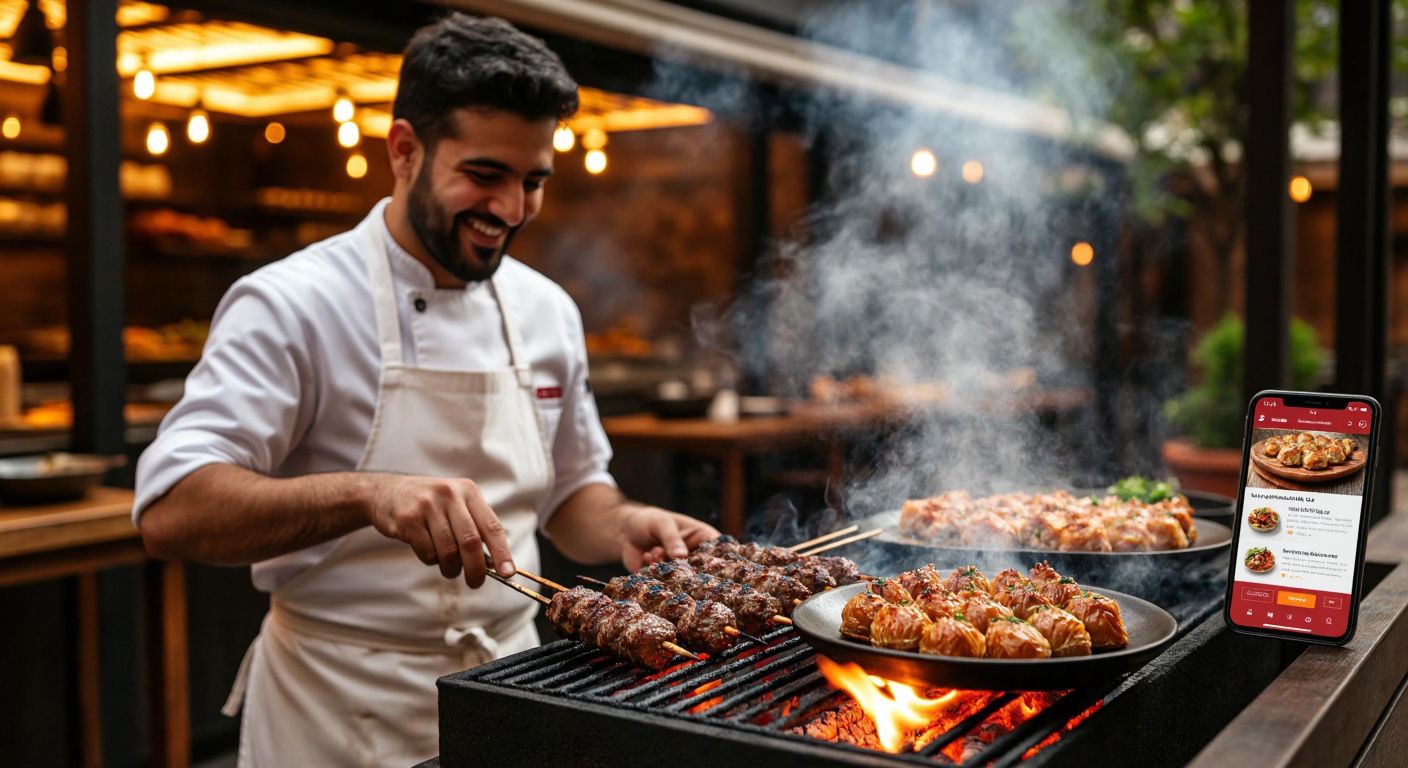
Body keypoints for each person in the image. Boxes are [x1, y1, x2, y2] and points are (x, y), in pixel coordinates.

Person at [134, 14, 719, 767]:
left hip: (510, 690)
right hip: (339, 708)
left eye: (532, 181)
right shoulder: (290, 303)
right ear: (404, 150)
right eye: (484, 175)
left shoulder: (547, 310)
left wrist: (626, 523)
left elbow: (573, 494)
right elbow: (170, 511)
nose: (511, 210)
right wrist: (366, 495)